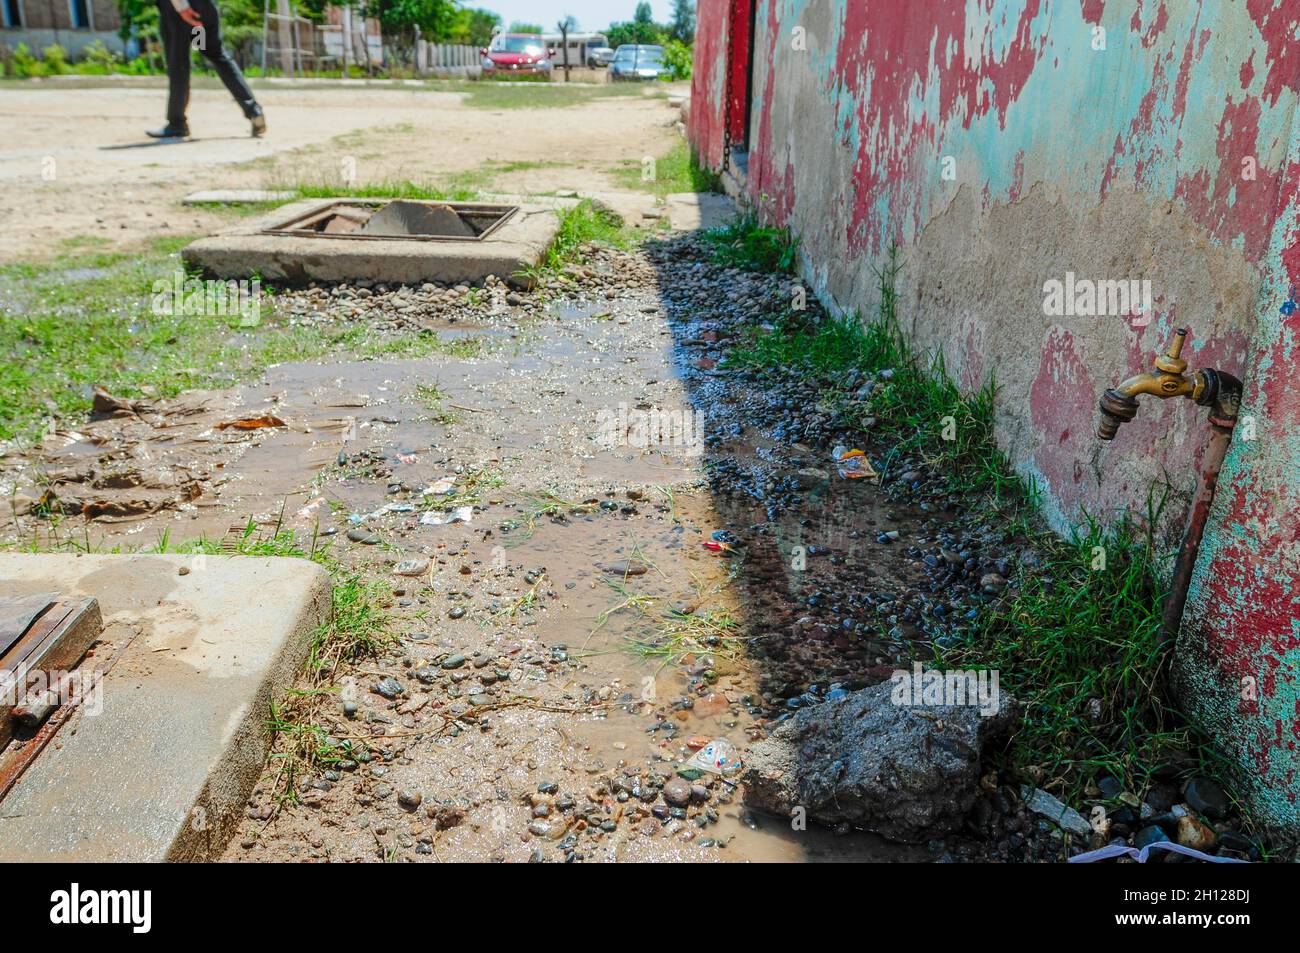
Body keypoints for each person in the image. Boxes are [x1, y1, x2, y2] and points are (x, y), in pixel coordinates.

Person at [148, 0, 266, 139]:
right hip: (201, 9)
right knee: (213, 53)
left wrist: (181, 7)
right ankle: (254, 111)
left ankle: (177, 123)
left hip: (181, 12)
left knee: (178, 63)